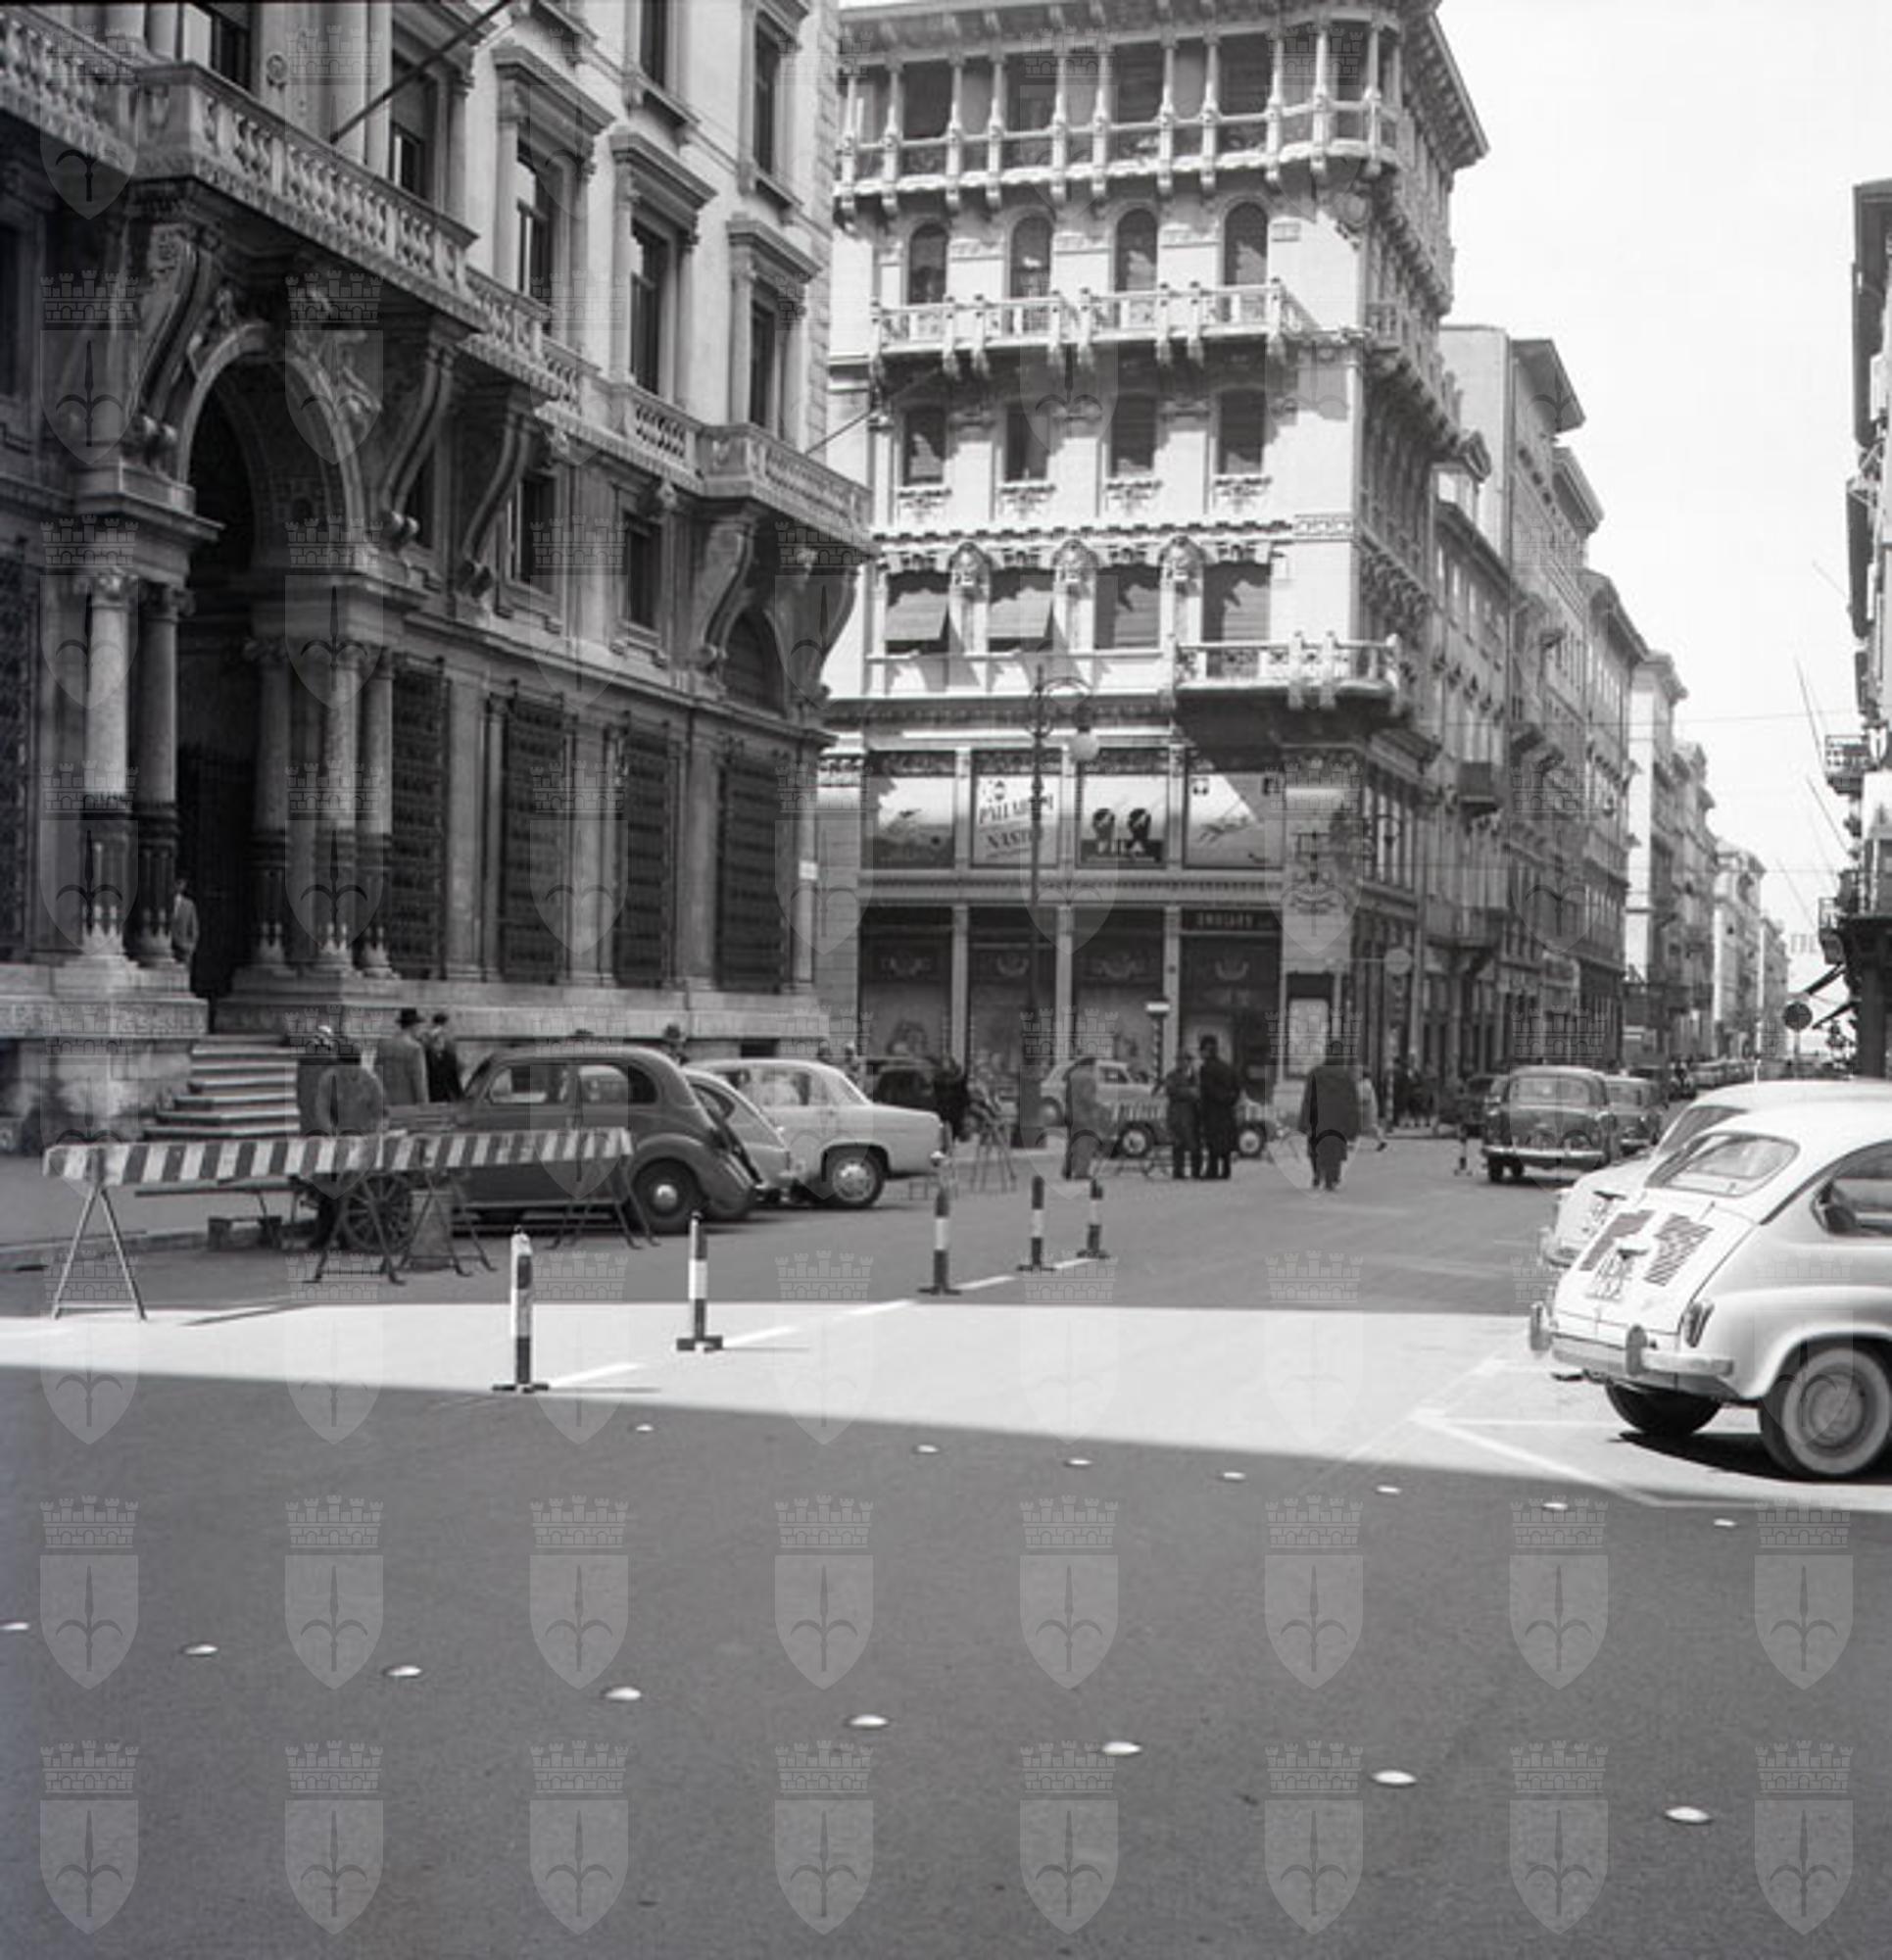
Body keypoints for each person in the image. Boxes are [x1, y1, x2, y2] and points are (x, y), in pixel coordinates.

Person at [1298, 1038, 1363, 1192]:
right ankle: (1331, 1178)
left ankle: (1317, 1175)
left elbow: (1308, 1099)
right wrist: (1353, 1127)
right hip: (1338, 1122)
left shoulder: (1315, 1074)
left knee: (1316, 1148)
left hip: (1317, 1120)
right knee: (1335, 1151)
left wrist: (1304, 1122)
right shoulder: (1346, 1077)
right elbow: (1352, 1104)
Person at [1196, 1035, 1240, 1179]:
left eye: (1201, 1050)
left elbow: (1207, 1089)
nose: (1200, 1054)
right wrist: (1230, 1100)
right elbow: (1237, 1088)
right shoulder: (1228, 1067)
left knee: (1212, 1140)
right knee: (1225, 1140)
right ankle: (1226, 1169)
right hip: (1227, 1110)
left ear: (1206, 1051)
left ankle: (1212, 1170)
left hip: (1212, 1110)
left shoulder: (1206, 1069)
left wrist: (1213, 1101)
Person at [375, 1006, 430, 1114]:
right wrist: (425, 1109)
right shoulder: (415, 1048)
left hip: (385, 1104)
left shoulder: (382, 1045)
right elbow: (419, 1084)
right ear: (414, 1026)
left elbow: (376, 1076)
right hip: (407, 1108)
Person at [1062, 1054, 1105, 1180]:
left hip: (1072, 1114)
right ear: (1090, 1065)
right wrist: (1099, 1106)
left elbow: (1066, 1096)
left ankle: (1068, 1168)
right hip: (1085, 1116)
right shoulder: (1088, 1078)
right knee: (1085, 1144)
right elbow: (1087, 1098)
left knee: (1073, 1143)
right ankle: (1081, 1172)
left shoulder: (1073, 1075)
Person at [1163, 1053, 1202, 1180]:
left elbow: (1200, 1091)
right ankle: (1178, 1171)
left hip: (1193, 1113)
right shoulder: (1171, 1076)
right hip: (1177, 1113)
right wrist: (1189, 1092)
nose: (1183, 1063)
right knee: (1178, 1142)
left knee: (1194, 1143)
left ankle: (1196, 1171)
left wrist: (1193, 1093)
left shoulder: (1195, 1075)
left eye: (1186, 1060)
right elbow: (1171, 1091)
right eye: (1180, 1060)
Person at [423, 1011, 463, 1102]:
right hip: (434, 1095)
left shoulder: (449, 1055)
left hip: (445, 1094)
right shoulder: (427, 1053)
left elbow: (455, 1077)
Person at [933, 1055, 972, 1147]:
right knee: (943, 1134)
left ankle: (949, 1145)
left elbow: (964, 1096)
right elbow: (936, 1095)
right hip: (943, 1111)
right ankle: (946, 1147)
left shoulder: (958, 1079)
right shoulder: (938, 1080)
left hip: (955, 1111)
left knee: (952, 1132)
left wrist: (965, 1109)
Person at [170, 876, 199, 973]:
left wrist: (190, 946)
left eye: (181, 883)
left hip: (183, 947)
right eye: (176, 883)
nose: (178, 886)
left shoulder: (189, 905)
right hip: (167, 946)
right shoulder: (164, 902)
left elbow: (194, 927)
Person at [1358, 1067, 1386, 1151]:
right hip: (1367, 1109)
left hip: (1365, 1109)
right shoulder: (1367, 1084)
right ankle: (1381, 1141)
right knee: (1370, 1127)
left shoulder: (1364, 1085)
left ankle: (1382, 1141)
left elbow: (1363, 1098)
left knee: (1371, 1127)